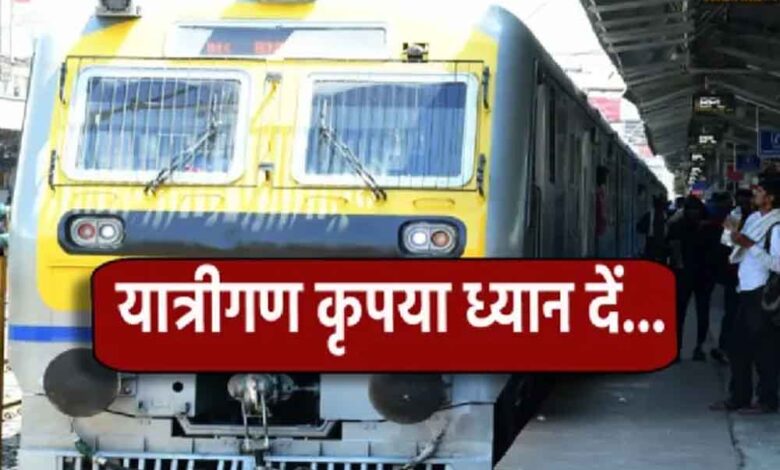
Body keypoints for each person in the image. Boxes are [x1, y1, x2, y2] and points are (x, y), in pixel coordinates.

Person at [711, 175, 780, 414]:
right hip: (746, 291)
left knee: (764, 350)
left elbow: (777, 264)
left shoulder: (777, 225)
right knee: (737, 346)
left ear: (771, 197)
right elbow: (735, 245)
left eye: (759, 191)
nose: (754, 195)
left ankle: (767, 399)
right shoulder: (752, 218)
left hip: (763, 293)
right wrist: (730, 230)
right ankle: (739, 396)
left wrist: (751, 246)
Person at [667, 196, 720, 361]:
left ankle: (678, 350)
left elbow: (674, 251)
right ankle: (697, 348)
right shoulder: (707, 228)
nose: (693, 213)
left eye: (695, 210)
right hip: (699, 275)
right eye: (691, 210)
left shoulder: (679, 225)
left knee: (681, 313)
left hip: (690, 275)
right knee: (699, 313)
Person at [711, 189, 754, 364]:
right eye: (741, 202)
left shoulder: (758, 218)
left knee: (745, 313)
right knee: (732, 312)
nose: (743, 206)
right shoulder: (733, 219)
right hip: (735, 274)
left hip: (751, 274)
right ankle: (726, 347)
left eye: (746, 202)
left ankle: (740, 348)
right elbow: (725, 247)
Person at [637, 195, 669, 263]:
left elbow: (639, 227)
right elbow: (639, 227)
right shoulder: (664, 214)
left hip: (658, 241)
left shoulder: (664, 214)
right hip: (654, 242)